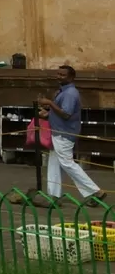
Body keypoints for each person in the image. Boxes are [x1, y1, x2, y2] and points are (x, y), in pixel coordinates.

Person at [37, 65, 107, 204]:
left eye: (62, 75)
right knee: (54, 163)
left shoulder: (69, 93)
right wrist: (48, 115)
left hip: (64, 134)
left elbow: (66, 114)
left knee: (67, 163)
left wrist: (50, 103)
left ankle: (95, 191)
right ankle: (53, 195)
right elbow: (60, 113)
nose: (59, 77)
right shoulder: (63, 92)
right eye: (58, 74)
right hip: (59, 132)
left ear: (71, 77)